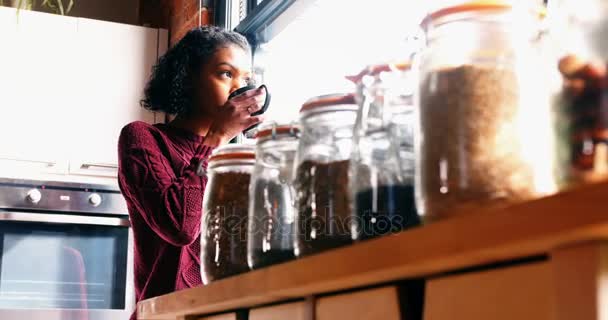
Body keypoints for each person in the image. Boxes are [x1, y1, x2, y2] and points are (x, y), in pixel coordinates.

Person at [117, 26, 265, 319]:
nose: (239, 88)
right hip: (167, 314)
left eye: (246, 79)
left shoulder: (238, 158)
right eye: (226, 73)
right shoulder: (142, 138)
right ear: (189, 78)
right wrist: (216, 137)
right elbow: (181, 226)